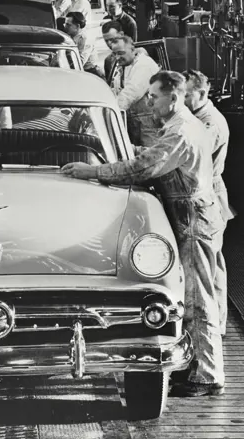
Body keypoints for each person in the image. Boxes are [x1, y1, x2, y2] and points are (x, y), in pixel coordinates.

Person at [61, 71, 225, 397]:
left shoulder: (181, 131)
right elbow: (150, 155)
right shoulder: (182, 126)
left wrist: (91, 170)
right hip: (193, 214)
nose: (149, 102)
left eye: (154, 97)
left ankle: (207, 375)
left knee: (197, 297)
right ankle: (198, 367)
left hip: (192, 218)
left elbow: (144, 168)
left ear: (173, 98)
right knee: (193, 294)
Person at [184, 69, 233, 335]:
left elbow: (192, 159)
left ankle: (216, 326)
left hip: (209, 194)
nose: (182, 100)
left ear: (202, 94)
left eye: (187, 95)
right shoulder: (196, 118)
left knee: (211, 267)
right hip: (207, 191)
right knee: (213, 265)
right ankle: (217, 324)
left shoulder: (210, 123)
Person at [109, 34, 161, 145]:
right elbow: (116, 90)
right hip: (135, 121)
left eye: (121, 53)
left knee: (152, 157)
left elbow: (131, 92)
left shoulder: (144, 65)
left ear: (133, 50)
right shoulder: (125, 65)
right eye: (115, 54)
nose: (117, 57)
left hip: (149, 123)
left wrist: (110, 112)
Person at [60, 12, 103, 77]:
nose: (65, 26)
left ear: (77, 26)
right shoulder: (70, 36)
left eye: (68, 25)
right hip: (76, 70)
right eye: (65, 24)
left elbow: (79, 63)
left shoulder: (85, 39)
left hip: (90, 73)